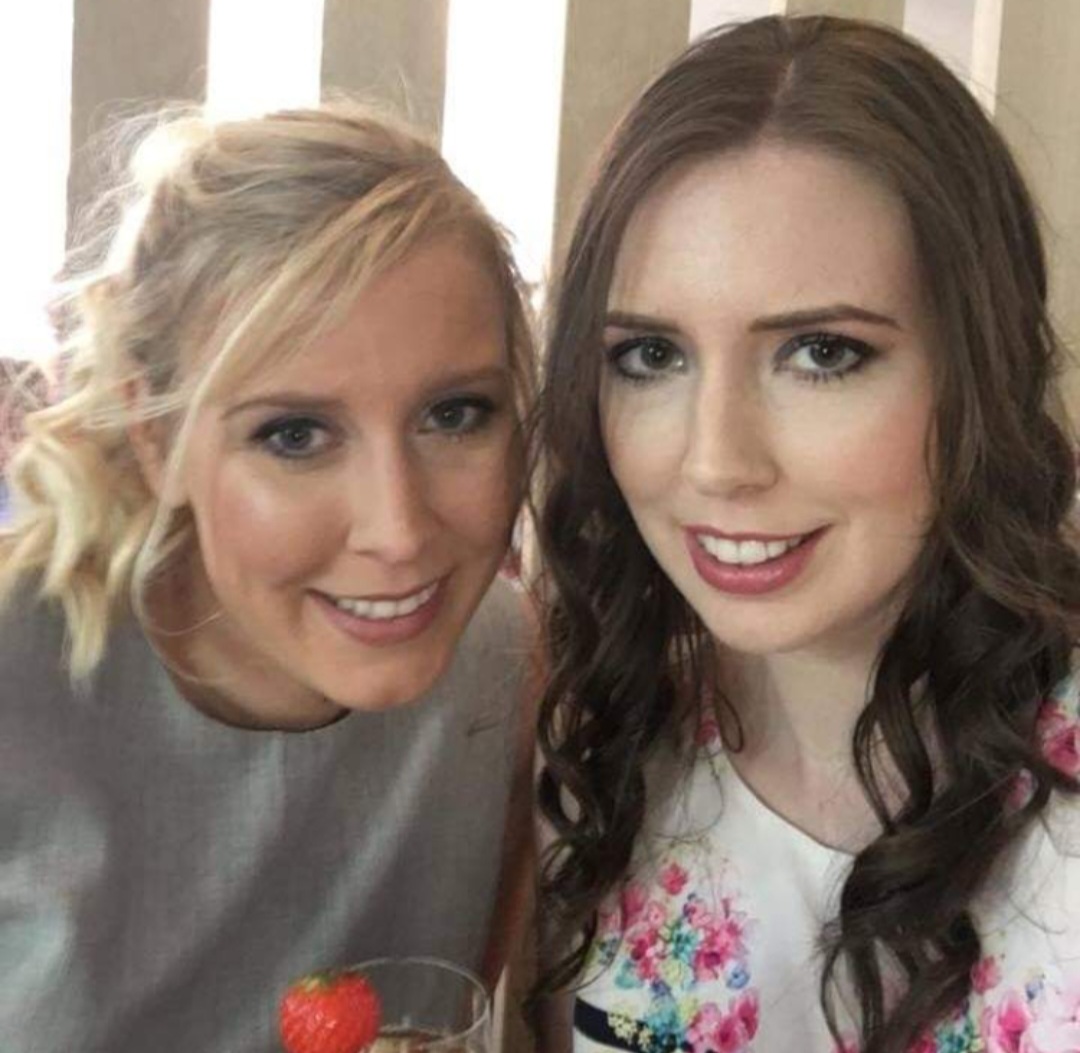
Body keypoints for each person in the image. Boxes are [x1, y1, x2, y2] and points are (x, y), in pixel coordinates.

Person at [533, 15, 1080, 1053]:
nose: (716, 462)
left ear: (984, 371)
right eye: (651, 356)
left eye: (822, 353)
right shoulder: (607, 745)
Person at [0, 101, 537, 1052]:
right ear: (155, 436)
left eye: (455, 414)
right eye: (294, 435)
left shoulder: (503, 664)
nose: (399, 531)